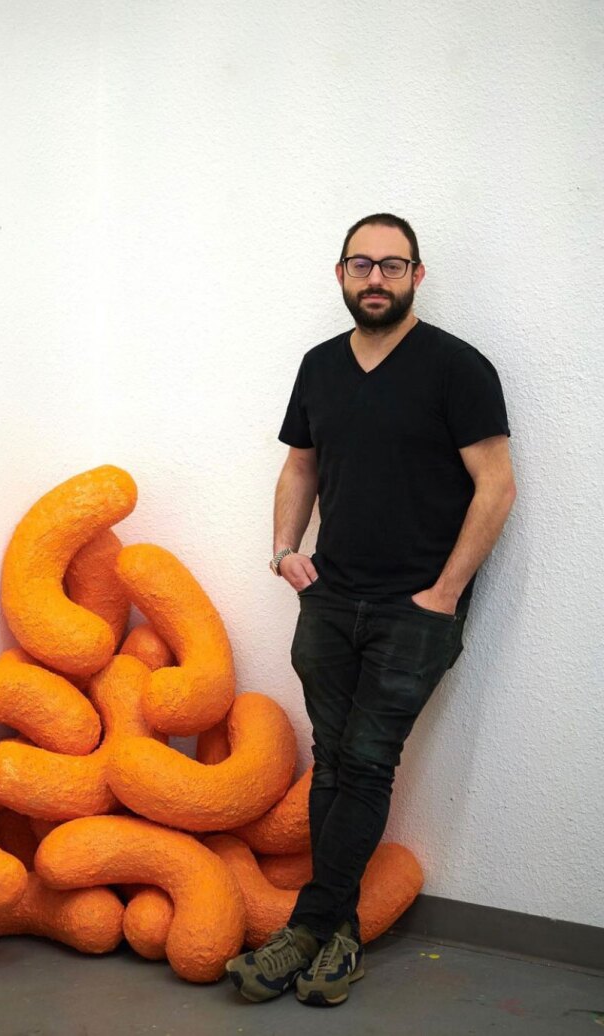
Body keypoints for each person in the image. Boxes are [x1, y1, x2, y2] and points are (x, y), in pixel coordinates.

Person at [226, 213, 516, 1008]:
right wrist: (285, 550)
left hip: (415, 610)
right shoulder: (320, 366)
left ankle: (308, 930)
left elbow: (497, 487)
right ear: (341, 275)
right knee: (337, 758)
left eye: (393, 265)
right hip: (330, 597)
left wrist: (445, 594)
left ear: (418, 275)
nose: (376, 279)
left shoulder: (457, 368)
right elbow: (299, 464)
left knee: (366, 756)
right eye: (362, 265)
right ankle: (337, 934)